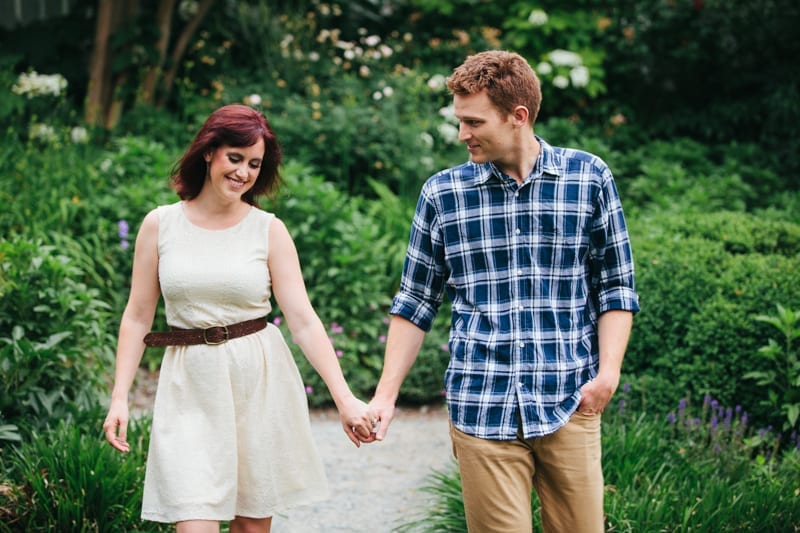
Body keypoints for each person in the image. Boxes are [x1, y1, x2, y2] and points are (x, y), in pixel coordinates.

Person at [369, 50, 640, 532]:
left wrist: (609, 374)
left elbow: (616, 285)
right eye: (459, 120)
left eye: (473, 121)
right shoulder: (443, 194)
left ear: (518, 117)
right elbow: (414, 301)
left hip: (570, 400)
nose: (462, 134)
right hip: (481, 405)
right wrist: (386, 397)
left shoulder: (588, 178)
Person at [102, 104, 376, 532]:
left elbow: (302, 319)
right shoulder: (160, 225)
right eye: (235, 158)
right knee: (193, 520)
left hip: (257, 379)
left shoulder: (268, 230)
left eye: (254, 164)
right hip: (189, 384)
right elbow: (138, 317)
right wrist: (119, 397)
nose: (244, 173)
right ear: (209, 152)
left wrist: (344, 399)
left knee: (251, 526)